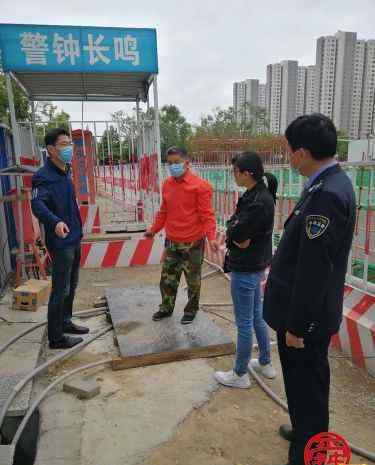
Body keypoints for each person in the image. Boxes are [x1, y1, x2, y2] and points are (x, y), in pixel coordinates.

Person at [263, 114, 356, 465]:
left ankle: (309, 451)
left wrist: (297, 327)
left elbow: (315, 270)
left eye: (289, 151)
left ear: (302, 152)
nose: (289, 158)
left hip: (305, 319)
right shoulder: (326, 184)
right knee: (302, 384)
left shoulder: (327, 195)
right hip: (302, 313)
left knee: (309, 385)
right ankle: (305, 430)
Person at [214, 152, 277, 389]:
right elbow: (236, 229)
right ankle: (264, 361)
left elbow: (239, 235)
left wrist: (234, 231)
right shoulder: (257, 195)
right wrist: (235, 230)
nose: (234, 175)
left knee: (244, 322)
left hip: (247, 267)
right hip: (255, 264)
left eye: (235, 172)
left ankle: (239, 373)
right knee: (256, 315)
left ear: (246, 173)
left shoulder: (258, 201)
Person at [145, 146, 219, 324]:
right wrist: (153, 229)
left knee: (193, 280)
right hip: (172, 241)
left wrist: (212, 238)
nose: (173, 166)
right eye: (169, 163)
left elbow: (207, 215)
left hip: (193, 242)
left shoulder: (200, 187)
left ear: (187, 163)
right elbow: (164, 211)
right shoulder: (167, 185)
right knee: (167, 279)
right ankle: (166, 307)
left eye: (177, 162)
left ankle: (191, 310)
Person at [31, 128, 89, 350]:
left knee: (71, 285)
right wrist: (54, 222)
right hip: (61, 240)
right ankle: (56, 337)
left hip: (74, 237)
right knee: (60, 289)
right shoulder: (42, 176)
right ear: (51, 149)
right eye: (64, 144)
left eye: (69, 144)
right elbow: (37, 204)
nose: (69, 148)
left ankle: (66, 322)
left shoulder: (65, 171)